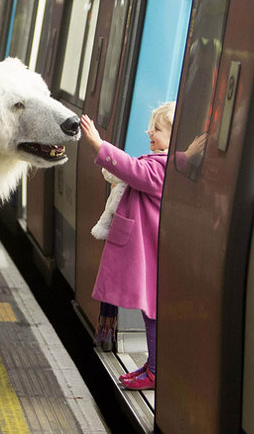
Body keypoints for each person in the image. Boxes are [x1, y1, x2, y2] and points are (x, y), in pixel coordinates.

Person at [79, 103, 206, 390]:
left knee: (152, 311)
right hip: (147, 247)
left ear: (175, 137)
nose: (150, 131)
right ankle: (151, 365)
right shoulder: (170, 165)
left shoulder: (159, 168)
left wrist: (98, 144)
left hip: (149, 251)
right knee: (149, 310)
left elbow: (132, 169)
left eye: (158, 129)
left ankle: (155, 370)